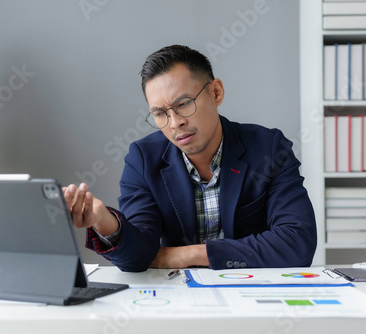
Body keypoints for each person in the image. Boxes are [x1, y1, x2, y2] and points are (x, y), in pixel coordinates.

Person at [63, 45, 317, 271]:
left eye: (184, 103)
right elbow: (138, 256)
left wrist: (192, 254)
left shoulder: (268, 149)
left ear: (216, 92)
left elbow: (297, 243)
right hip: (179, 300)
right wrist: (103, 220)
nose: (175, 123)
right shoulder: (143, 159)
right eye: (160, 113)